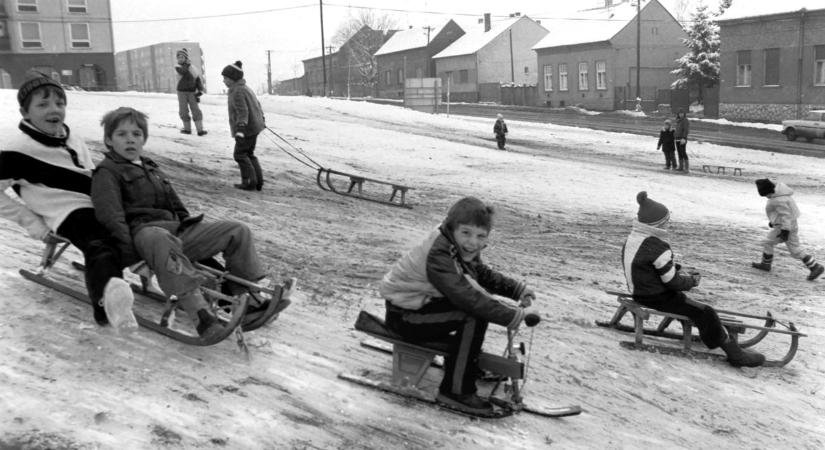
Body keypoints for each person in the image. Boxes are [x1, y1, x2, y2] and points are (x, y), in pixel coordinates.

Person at [90, 107, 288, 339]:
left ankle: (246, 298)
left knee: (237, 230)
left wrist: (189, 225)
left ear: (144, 138)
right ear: (108, 140)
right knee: (159, 238)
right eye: (122, 134)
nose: (130, 139)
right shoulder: (106, 172)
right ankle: (201, 315)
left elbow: (176, 205)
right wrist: (133, 256)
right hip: (144, 235)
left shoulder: (151, 168)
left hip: (175, 232)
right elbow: (110, 216)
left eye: (136, 134)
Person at [0, 70, 137, 330]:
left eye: (60, 103)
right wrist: (35, 225)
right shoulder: (15, 150)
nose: (55, 109)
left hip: (99, 203)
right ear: (24, 113)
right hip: (69, 213)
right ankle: (108, 304)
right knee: (100, 244)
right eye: (43, 104)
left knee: (148, 227)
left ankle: (219, 285)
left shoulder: (72, 138)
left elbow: (93, 177)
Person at [379, 196, 537, 417]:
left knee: (475, 311)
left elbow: (480, 273)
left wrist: (516, 290)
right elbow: (466, 296)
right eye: (466, 233)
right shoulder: (439, 253)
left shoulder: (455, 245)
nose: (473, 242)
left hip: (422, 306)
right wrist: (513, 315)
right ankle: (456, 390)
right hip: (405, 317)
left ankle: (466, 365)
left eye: (481, 236)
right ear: (452, 228)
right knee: (472, 314)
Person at [622, 191, 764, 367]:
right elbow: (672, 282)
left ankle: (710, 335)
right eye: (666, 221)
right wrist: (691, 281)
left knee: (693, 307)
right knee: (706, 312)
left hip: (637, 290)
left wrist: (676, 269)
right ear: (657, 224)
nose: (669, 224)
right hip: (655, 296)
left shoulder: (633, 238)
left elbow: (646, 265)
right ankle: (735, 355)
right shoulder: (659, 246)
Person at [751, 179, 823, 281]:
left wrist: (784, 231)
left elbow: (785, 215)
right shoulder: (782, 194)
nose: (766, 197)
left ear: (767, 191)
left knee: (768, 242)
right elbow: (784, 214)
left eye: (765, 194)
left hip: (783, 227)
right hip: (790, 225)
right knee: (793, 247)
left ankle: (766, 264)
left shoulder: (777, 200)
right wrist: (774, 221)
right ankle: (814, 266)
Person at [221, 61, 265, 191]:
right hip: (254, 127)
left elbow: (243, 112)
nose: (223, 81)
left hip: (246, 129)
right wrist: (261, 119)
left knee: (240, 154)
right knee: (249, 153)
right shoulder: (245, 88)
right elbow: (258, 105)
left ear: (232, 78)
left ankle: (250, 182)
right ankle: (258, 181)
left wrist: (240, 129)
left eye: (225, 78)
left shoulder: (237, 91)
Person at [175, 48, 207, 136]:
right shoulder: (178, 67)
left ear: (186, 58)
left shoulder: (193, 68)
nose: (180, 59)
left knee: (196, 110)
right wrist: (187, 64)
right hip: (181, 92)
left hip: (192, 92)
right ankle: (187, 129)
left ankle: (200, 130)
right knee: (183, 111)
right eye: (179, 57)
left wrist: (200, 89)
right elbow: (184, 71)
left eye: (182, 57)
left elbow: (197, 79)